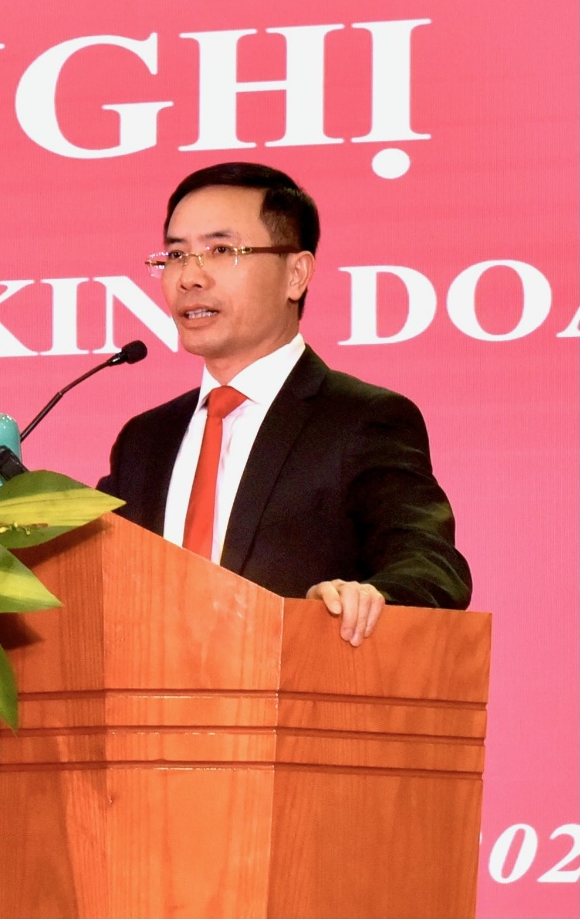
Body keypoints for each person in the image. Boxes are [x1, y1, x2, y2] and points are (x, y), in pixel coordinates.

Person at [97, 162, 471, 647]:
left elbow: (431, 563)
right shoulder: (145, 440)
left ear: (296, 274)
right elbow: (97, 576)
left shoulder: (360, 420)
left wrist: (369, 598)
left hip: (299, 687)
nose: (189, 277)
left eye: (221, 250)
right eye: (175, 255)